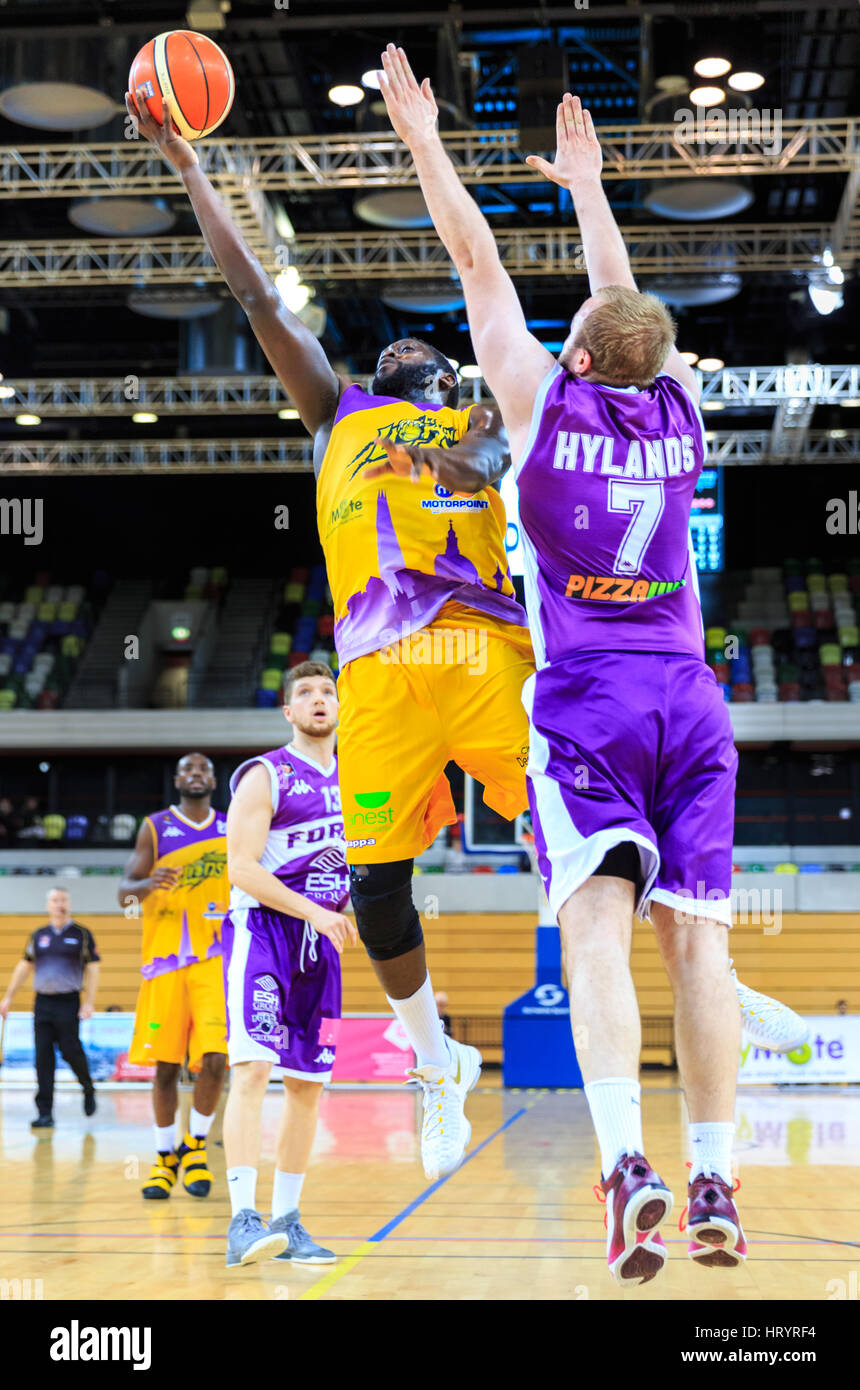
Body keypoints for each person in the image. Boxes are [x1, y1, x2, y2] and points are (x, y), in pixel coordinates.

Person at [376, 46, 755, 1285]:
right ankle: (713, 1174)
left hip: (587, 699)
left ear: (579, 360)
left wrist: (425, 142)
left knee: (594, 930)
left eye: (571, 335)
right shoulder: (679, 413)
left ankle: (623, 1164)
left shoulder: (542, 404)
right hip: (691, 702)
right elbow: (624, 305)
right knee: (699, 946)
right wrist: (592, 195)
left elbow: (477, 262)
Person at [126, 85, 535, 1185]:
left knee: (582, 827)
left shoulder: (478, 409)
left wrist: (460, 451)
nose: (402, 340)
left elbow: (496, 464)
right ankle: (436, 1055)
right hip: (378, 680)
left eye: (423, 342)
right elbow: (253, 288)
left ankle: (695, 953)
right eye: (388, 344)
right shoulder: (335, 411)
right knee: (377, 889)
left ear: (444, 373)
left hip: (486, 651)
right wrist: (184, 164)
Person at [221, 661, 356, 1268]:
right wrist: (317, 912)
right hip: (266, 933)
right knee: (252, 1070)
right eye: (305, 693)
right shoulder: (264, 775)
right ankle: (242, 1219)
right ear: (287, 711)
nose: (319, 699)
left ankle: (287, 1220)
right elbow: (242, 868)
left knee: (308, 1086)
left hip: (323, 946)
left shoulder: (362, 777)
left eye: (327, 691)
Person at [118, 753, 229, 1201]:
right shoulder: (155, 826)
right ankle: (165, 1158)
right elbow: (124, 892)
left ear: (214, 780)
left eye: (203, 768)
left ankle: (196, 1147)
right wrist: (145, 886)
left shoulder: (231, 826)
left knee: (217, 1059)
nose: (196, 774)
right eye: (188, 769)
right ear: (178, 779)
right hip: (166, 962)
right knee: (165, 1067)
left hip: (216, 959)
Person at [0, 887, 98, 1127]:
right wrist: (8, 997)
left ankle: (88, 1087)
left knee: (70, 1051)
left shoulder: (82, 934)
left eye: (63, 899)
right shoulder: (38, 935)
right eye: (55, 900)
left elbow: (93, 969)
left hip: (69, 1001)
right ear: (48, 905)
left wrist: (89, 1002)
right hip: (43, 1002)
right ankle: (45, 1112)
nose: (59, 904)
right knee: (43, 1057)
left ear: (69, 903)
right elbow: (24, 966)